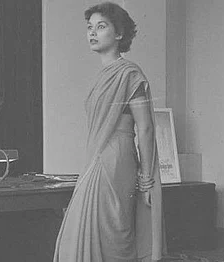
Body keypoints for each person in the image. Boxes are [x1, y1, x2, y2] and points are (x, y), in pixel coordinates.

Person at [53, 2, 164, 262]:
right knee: (90, 228)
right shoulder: (103, 76)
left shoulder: (129, 73)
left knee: (111, 229)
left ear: (119, 33)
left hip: (116, 161)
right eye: (90, 27)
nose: (92, 32)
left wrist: (147, 181)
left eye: (101, 26)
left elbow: (145, 128)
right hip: (98, 157)